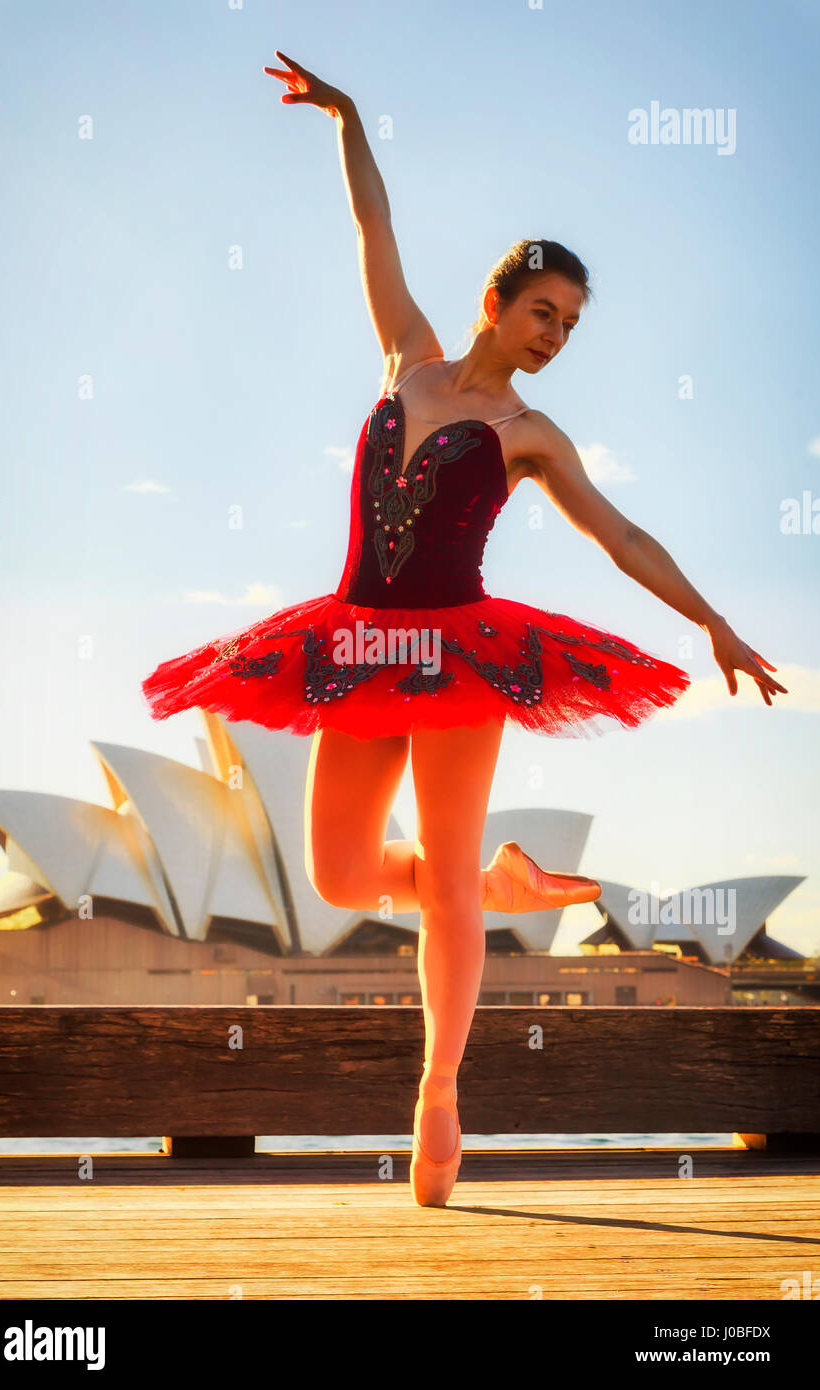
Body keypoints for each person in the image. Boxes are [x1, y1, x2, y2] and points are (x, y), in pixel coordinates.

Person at [141, 51, 788, 1207]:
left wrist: (716, 622)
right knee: (339, 874)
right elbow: (371, 227)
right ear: (494, 302)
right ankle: (499, 881)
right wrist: (347, 119)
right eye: (543, 312)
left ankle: (438, 1091)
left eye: (571, 326)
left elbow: (621, 537)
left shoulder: (531, 433)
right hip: (354, 642)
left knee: (436, 880)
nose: (554, 335)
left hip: (454, 654)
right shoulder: (408, 358)